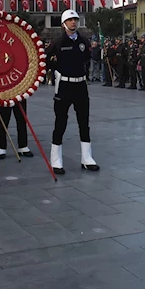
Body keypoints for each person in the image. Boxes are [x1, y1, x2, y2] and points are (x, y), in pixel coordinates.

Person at [45, 9, 98, 175]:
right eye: (70, 20)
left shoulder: (83, 41)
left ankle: (87, 158)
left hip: (81, 85)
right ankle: (56, 160)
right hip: (64, 86)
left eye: (75, 19)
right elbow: (45, 59)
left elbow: (86, 58)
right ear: (63, 24)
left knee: (84, 122)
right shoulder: (58, 42)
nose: (73, 22)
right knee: (60, 122)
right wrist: (57, 68)